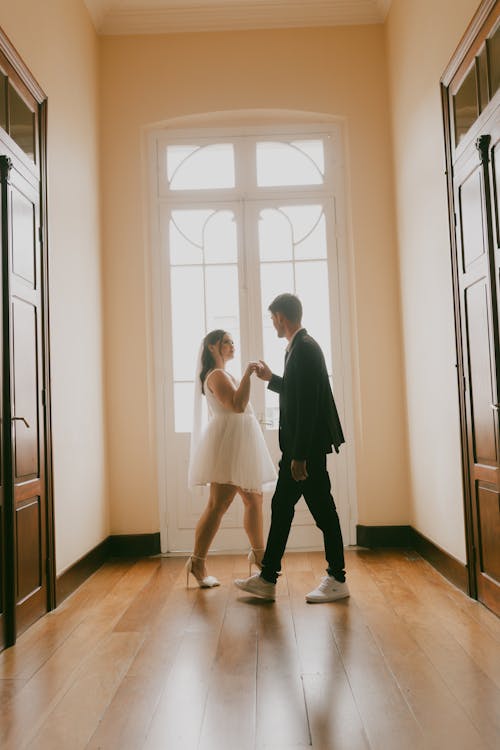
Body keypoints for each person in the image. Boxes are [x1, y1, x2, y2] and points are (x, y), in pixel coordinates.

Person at [235, 293, 348, 603]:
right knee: (287, 508)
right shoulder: (300, 348)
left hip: (305, 452)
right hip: (303, 450)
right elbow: (298, 393)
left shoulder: (304, 350)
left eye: (273, 318)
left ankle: (335, 578)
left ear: (281, 318)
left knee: (320, 512)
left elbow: (308, 408)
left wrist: (298, 457)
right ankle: (269, 577)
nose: (272, 324)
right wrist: (272, 378)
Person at [186, 329, 277, 587]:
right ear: (212, 347)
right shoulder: (215, 375)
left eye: (232, 341)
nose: (232, 345)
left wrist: (245, 377)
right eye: (226, 342)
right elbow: (236, 406)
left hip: (241, 443)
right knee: (219, 504)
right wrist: (248, 375)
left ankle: (260, 556)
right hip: (228, 445)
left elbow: (241, 407)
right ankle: (197, 562)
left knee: (254, 499)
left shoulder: (225, 374)